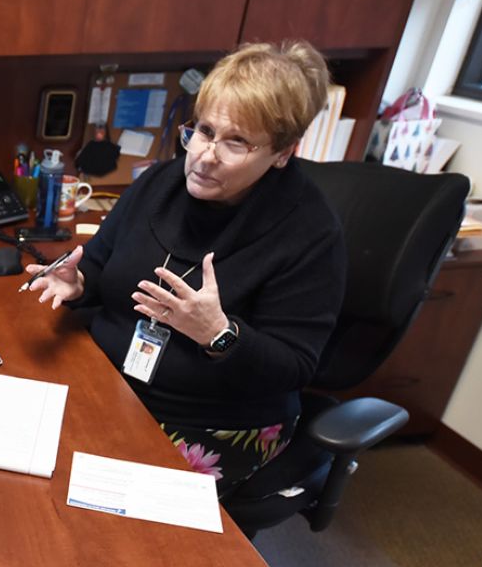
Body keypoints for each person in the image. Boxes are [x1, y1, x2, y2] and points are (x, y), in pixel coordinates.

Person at [25, 40, 346, 495]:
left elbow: (294, 367)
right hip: (107, 383)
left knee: (82, 508)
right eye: (204, 131)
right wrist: (77, 283)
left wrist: (218, 333)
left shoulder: (310, 234)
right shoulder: (162, 181)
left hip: (212, 421)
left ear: (282, 152)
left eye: (236, 142)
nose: (206, 155)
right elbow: (98, 268)